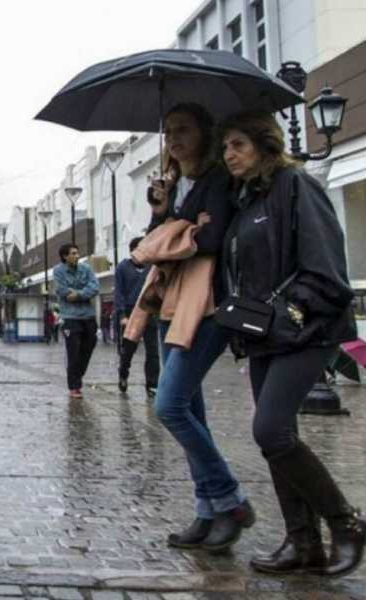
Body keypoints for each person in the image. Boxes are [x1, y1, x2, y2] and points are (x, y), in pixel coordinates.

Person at [220, 112, 363, 577]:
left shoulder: (295, 186)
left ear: (264, 145)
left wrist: (292, 310)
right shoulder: (244, 201)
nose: (229, 155)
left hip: (308, 330)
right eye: (224, 147)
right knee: (279, 439)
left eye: (237, 144)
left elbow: (325, 265)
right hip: (266, 336)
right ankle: (303, 542)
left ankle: (345, 523)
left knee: (271, 430)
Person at [145, 103, 252, 553]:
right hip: (173, 302)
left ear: (204, 133)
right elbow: (152, 245)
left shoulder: (216, 181)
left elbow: (209, 241)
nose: (175, 139)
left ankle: (230, 500)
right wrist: (167, 215)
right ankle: (207, 511)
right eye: (169, 131)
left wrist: (178, 234)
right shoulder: (176, 188)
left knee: (168, 406)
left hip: (209, 304)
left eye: (183, 130)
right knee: (193, 410)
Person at [53, 244, 99, 398]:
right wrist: (84, 292)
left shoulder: (86, 269)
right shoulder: (58, 271)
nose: (77, 256)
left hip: (88, 316)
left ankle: (77, 375)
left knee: (89, 347)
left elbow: (95, 287)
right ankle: (74, 386)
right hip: (70, 317)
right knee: (73, 352)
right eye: (73, 253)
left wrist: (78, 294)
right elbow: (62, 291)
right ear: (65, 256)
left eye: (77, 253)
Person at [115, 236, 159, 396]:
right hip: (130, 310)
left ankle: (152, 384)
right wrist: (121, 315)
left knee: (153, 350)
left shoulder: (152, 267)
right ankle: (123, 374)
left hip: (149, 310)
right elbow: (118, 292)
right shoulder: (122, 268)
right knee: (128, 349)